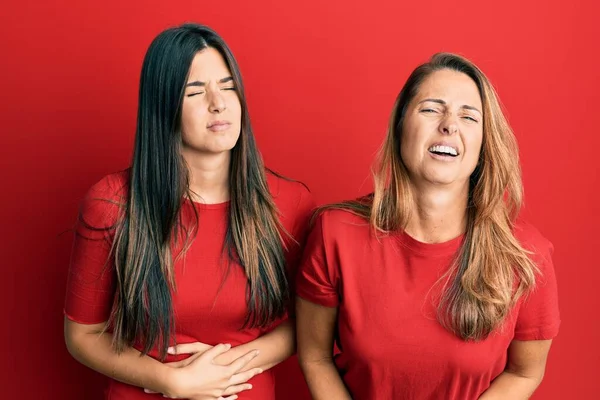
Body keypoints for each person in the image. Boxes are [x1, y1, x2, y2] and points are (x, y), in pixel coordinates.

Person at [64, 23, 315, 400]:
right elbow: (82, 335)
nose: (219, 102)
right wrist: (174, 382)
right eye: (195, 91)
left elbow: (311, 324)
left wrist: (223, 371)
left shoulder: (290, 203)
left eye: (228, 86)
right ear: (163, 107)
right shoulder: (112, 202)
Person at [295, 53, 560, 399]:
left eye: (469, 116)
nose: (449, 124)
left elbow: (524, 372)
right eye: (431, 109)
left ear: (483, 144)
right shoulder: (335, 233)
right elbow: (315, 356)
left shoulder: (526, 256)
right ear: (400, 126)